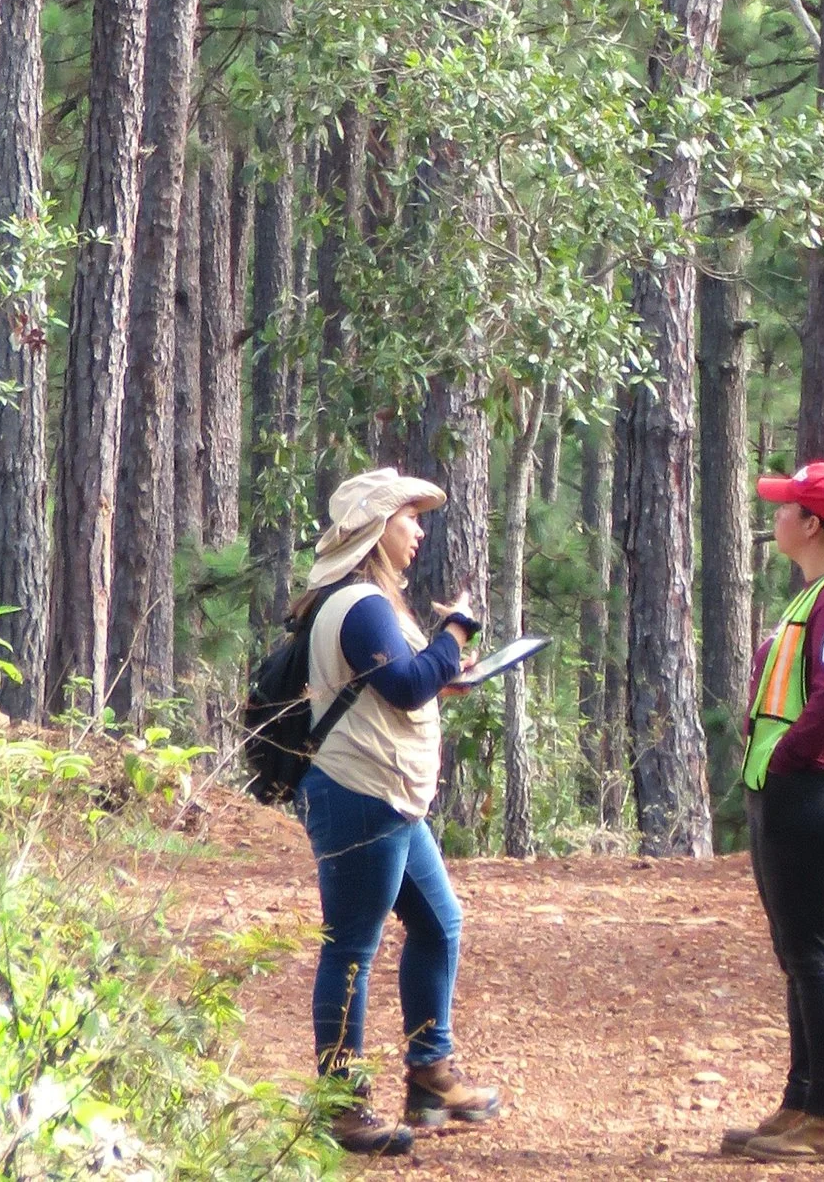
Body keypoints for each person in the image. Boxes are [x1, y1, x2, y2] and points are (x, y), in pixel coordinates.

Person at [293, 467, 505, 1158]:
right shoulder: (361, 605)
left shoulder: (371, 603)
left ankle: (430, 1074)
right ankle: (344, 1103)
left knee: (438, 922)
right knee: (351, 945)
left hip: (387, 795)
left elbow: (397, 686)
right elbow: (410, 685)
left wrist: (446, 662)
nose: (418, 530)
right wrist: (456, 632)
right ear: (377, 526)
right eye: (409, 517)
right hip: (360, 793)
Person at [722, 458, 824, 1168]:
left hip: (818, 790)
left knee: (815, 957)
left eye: (787, 505)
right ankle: (801, 1101)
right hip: (795, 788)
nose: (777, 515)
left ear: (814, 523)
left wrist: (788, 756)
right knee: (798, 955)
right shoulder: (819, 589)